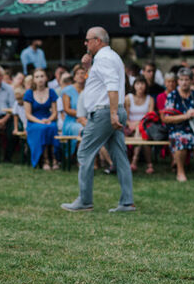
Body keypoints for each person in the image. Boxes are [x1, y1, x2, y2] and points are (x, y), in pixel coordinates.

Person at [61, 27, 135, 213]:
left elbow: (111, 87)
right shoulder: (110, 58)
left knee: (84, 154)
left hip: (104, 113)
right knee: (119, 155)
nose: (85, 43)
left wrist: (112, 114)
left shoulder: (104, 59)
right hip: (111, 111)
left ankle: (85, 201)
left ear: (98, 41)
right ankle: (127, 202)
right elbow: (99, 83)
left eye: (87, 40)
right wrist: (88, 68)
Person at [162, 68, 194, 182]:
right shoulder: (173, 96)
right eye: (181, 80)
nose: (184, 82)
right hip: (177, 128)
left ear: (191, 81)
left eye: (187, 79)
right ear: (178, 81)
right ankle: (180, 172)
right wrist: (185, 116)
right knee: (181, 139)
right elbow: (166, 118)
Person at [23, 67, 59, 170]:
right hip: (34, 121)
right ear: (33, 79)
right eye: (37, 77)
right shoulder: (29, 93)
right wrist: (40, 122)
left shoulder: (51, 92)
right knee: (42, 129)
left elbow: (55, 112)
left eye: (42, 76)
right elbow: (28, 114)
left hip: (48, 119)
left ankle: (55, 159)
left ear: (46, 78)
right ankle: (45, 160)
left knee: (52, 127)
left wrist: (49, 120)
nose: (40, 79)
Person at [125, 75, 154, 174]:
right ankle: (148, 164)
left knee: (141, 133)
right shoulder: (128, 98)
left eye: (142, 84)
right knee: (139, 133)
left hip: (144, 126)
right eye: (138, 84)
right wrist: (130, 124)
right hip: (129, 126)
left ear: (146, 86)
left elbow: (149, 117)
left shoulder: (150, 99)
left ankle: (134, 161)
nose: (140, 86)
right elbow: (125, 116)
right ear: (134, 86)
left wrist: (137, 124)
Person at [59, 64, 86, 156]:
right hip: (71, 121)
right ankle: (81, 158)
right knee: (83, 130)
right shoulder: (67, 90)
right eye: (77, 73)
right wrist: (81, 116)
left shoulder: (89, 90)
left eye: (83, 73)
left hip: (86, 119)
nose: (80, 75)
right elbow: (67, 109)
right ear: (74, 77)